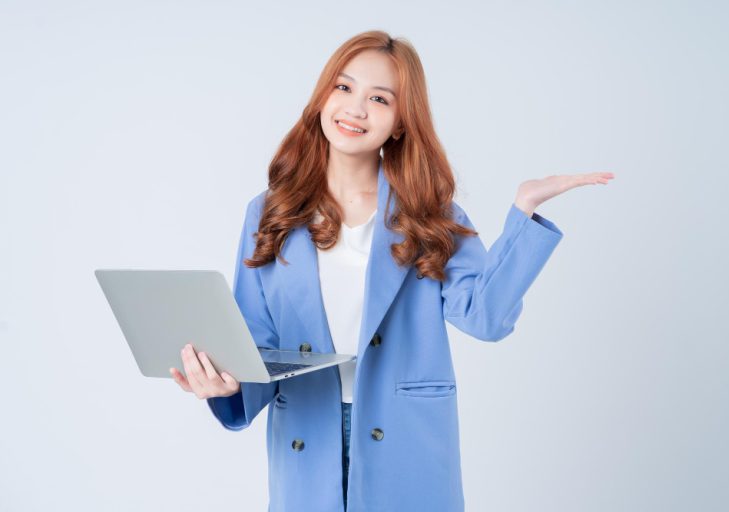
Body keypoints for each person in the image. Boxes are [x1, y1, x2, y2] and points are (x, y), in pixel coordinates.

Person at [169, 30, 614, 512]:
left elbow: (485, 317)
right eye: (343, 88)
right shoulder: (268, 213)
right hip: (305, 434)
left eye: (379, 98)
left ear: (401, 122)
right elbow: (257, 342)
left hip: (406, 441)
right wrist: (228, 384)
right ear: (322, 97)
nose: (355, 109)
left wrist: (524, 211)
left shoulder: (429, 212)